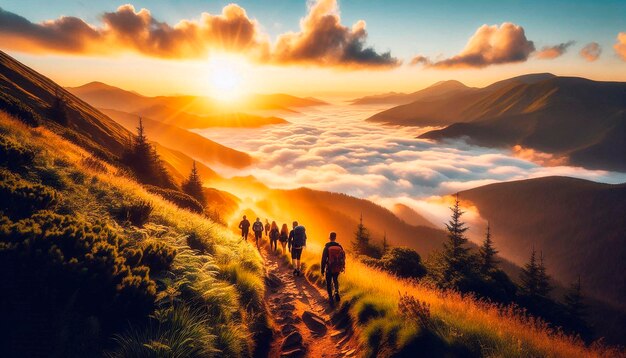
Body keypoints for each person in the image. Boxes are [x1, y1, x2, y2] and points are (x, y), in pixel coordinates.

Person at [320, 232, 345, 304]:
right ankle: (336, 291)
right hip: (337, 267)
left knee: (328, 282)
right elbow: (342, 258)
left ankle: (330, 298)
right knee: (335, 279)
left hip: (329, 267)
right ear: (335, 237)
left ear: (330, 237)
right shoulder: (339, 247)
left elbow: (323, 259)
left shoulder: (327, 247)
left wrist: (322, 269)